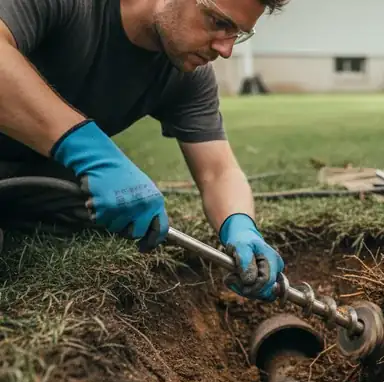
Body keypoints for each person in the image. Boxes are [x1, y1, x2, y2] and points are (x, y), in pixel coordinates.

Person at [0, 0, 287, 301]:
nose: (226, 49)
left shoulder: (187, 73)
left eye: (237, 34)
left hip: (31, 170)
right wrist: (91, 151)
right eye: (218, 23)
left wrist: (240, 226)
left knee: (94, 220)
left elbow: (218, 171)